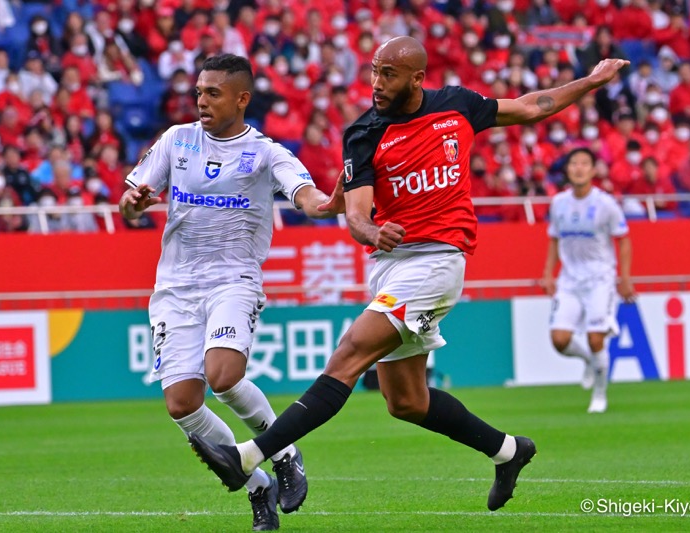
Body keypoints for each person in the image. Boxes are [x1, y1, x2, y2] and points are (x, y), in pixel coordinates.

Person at [189, 36, 628, 515]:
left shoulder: (458, 107)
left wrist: (591, 81)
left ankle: (249, 455)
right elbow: (355, 215)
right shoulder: (364, 133)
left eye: (389, 74)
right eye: (375, 71)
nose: (377, 83)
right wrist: (372, 231)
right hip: (389, 266)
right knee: (406, 401)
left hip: (438, 261)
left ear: (417, 78)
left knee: (350, 352)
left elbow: (530, 106)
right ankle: (508, 450)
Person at [119, 54, 344, 531]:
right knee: (182, 404)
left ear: (242, 98)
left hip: (232, 278)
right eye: (199, 91)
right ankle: (259, 487)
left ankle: (284, 452)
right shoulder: (176, 140)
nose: (201, 100)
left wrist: (329, 204)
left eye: (213, 93)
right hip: (175, 286)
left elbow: (308, 198)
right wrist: (133, 203)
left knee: (222, 375)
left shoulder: (266, 153)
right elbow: (129, 205)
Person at [541, 148, 636, 414]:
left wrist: (624, 279)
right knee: (559, 340)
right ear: (568, 170)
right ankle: (588, 363)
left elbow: (624, 240)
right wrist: (548, 273)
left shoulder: (606, 204)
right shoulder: (558, 202)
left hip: (599, 279)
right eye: (574, 163)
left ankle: (600, 394)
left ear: (593, 170)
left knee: (596, 339)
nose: (579, 168)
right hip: (569, 279)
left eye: (585, 163)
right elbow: (554, 239)